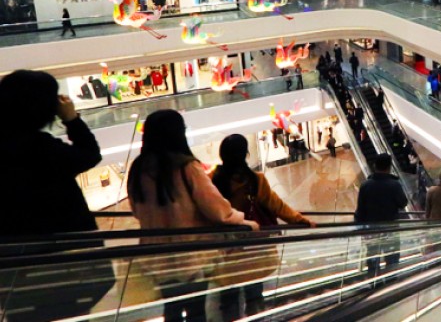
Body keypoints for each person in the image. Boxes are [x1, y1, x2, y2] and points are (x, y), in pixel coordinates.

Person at [0, 70, 114, 319]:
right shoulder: (41, 149)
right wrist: (72, 119)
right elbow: (89, 154)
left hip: (13, 266)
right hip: (68, 259)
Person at [128, 110, 258, 322]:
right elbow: (217, 209)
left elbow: (136, 210)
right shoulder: (187, 167)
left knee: (171, 310)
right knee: (197, 311)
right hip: (190, 258)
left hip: (157, 258)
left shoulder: (138, 168)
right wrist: (243, 220)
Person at [211, 134, 314, 318]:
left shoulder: (212, 181)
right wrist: (301, 220)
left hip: (226, 251)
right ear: (245, 154)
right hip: (253, 250)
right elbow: (277, 206)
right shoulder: (255, 180)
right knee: (254, 295)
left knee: (229, 300)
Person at [355, 154, 409, 274]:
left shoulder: (365, 185)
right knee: (392, 256)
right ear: (389, 167)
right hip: (390, 228)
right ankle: (391, 281)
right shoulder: (394, 185)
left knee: (373, 257)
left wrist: (360, 229)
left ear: (374, 166)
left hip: (371, 229)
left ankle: (374, 282)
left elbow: (360, 210)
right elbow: (403, 203)